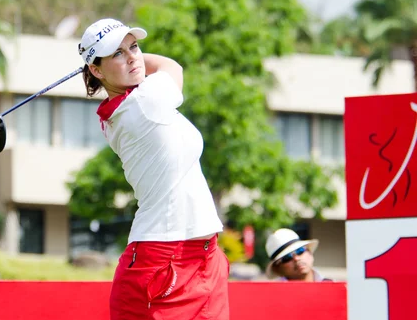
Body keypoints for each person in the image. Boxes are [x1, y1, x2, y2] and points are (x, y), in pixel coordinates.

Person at [78, 18, 230, 320]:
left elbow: (158, 70)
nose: (133, 56)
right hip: (163, 260)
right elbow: (173, 67)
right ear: (96, 70)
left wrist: (113, 63)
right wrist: (130, 61)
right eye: (118, 54)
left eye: (134, 46)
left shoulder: (126, 104)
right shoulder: (144, 102)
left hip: (203, 255)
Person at [265, 228, 331, 281]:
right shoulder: (273, 295)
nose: (296, 258)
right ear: (277, 269)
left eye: (300, 251)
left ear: (309, 252)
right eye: (287, 257)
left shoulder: (333, 288)